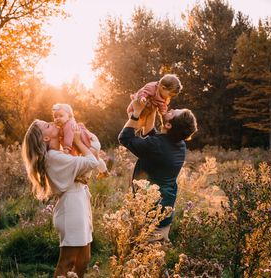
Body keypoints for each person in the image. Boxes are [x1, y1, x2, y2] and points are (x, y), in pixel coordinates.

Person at [22, 119, 99, 278]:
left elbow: (86, 167)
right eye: (47, 126)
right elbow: (92, 162)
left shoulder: (61, 153)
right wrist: (78, 141)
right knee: (67, 263)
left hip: (79, 203)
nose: (52, 122)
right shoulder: (53, 157)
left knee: (83, 260)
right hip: (71, 208)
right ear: (45, 138)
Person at [119, 96, 197, 242]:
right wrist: (153, 108)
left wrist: (136, 113)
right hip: (164, 214)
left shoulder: (156, 145)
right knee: (152, 259)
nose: (172, 109)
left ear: (168, 125)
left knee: (142, 257)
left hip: (149, 214)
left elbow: (125, 138)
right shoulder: (179, 144)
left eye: (173, 112)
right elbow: (151, 134)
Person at [52, 103, 109, 178]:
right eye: (55, 117)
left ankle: (85, 177)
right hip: (91, 141)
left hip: (91, 143)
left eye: (61, 116)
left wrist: (66, 148)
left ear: (69, 116)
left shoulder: (68, 125)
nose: (57, 118)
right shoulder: (64, 126)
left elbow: (68, 138)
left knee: (88, 160)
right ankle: (104, 172)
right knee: (96, 159)